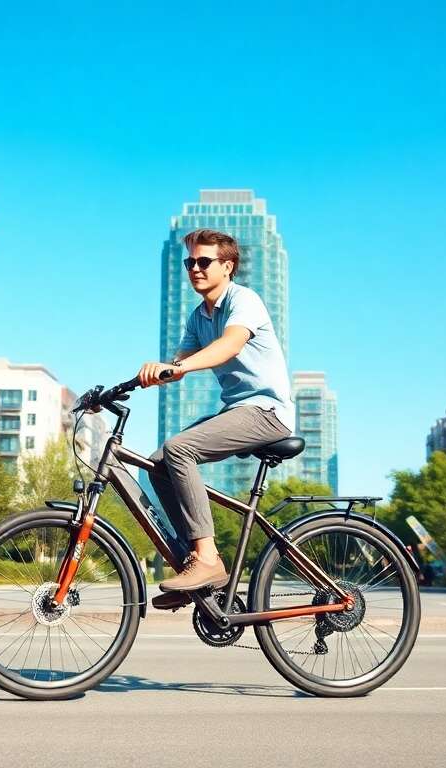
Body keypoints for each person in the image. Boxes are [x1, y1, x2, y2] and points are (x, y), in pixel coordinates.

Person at [137, 228, 294, 610]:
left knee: (179, 449)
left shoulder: (245, 300)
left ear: (227, 266)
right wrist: (138, 380)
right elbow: (177, 363)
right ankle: (195, 560)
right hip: (238, 412)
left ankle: (208, 559)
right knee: (157, 463)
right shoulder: (198, 316)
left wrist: (180, 368)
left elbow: (229, 345)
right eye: (189, 262)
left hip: (268, 412)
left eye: (203, 261)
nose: (194, 268)